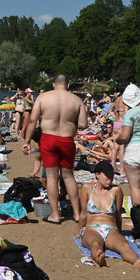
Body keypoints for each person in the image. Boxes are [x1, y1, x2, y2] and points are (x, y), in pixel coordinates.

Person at [22, 75, 87, 224]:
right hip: (67, 139)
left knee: (51, 176)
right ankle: (77, 214)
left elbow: (32, 120)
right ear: (68, 85)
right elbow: (83, 124)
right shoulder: (77, 100)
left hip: (48, 138)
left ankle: (55, 215)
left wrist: (27, 141)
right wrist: (69, 121)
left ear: (53, 84)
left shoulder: (43, 97)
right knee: (69, 176)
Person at [75, 161, 140, 270]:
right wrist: (79, 231)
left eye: (112, 176)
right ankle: (99, 258)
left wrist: (119, 233)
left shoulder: (116, 190)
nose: (110, 179)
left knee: (124, 246)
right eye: (107, 176)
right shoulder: (87, 188)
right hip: (92, 228)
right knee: (95, 244)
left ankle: (137, 262)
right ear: (97, 174)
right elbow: (83, 213)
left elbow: (117, 214)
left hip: (111, 229)